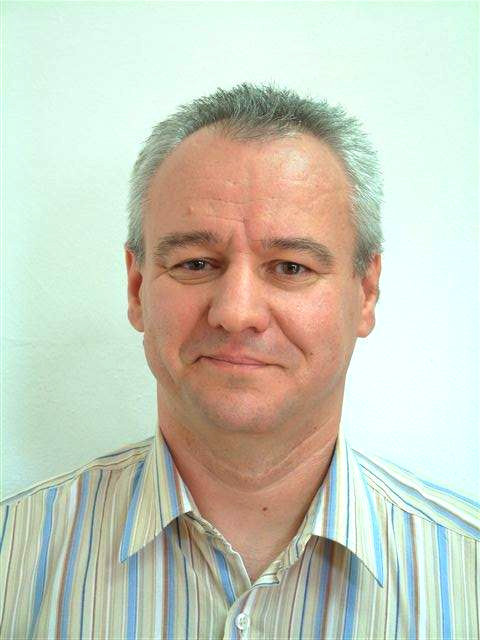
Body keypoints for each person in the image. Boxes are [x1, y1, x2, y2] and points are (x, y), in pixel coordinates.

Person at [1, 83, 478, 640]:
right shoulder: (12, 554)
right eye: (196, 263)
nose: (236, 313)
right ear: (136, 288)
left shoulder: (465, 570)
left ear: (366, 292)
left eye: (291, 267)